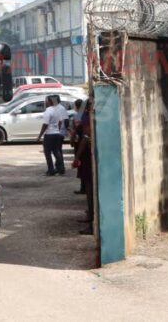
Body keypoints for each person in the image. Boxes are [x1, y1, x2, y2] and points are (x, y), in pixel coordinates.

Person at [75, 99, 95, 234]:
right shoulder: (91, 116)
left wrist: (77, 156)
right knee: (89, 187)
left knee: (90, 188)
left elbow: (86, 137)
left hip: (88, 155)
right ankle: (91, 217)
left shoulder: (88, 118)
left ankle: (92, 220)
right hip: (90, 155)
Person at [36, 95, 68, 176]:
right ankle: (61, 168)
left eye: (46, 100)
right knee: (56, 151)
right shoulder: (56, 110)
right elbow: (61, 121)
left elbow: (45, 124)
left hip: (49, 134)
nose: (45, 102)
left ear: (50, 102)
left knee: (47, 153)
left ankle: (51, 170)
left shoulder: (48, 110)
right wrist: (57, 128)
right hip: (56, 133)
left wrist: (40, 136)